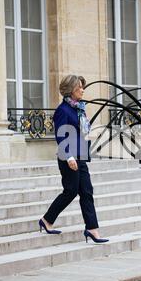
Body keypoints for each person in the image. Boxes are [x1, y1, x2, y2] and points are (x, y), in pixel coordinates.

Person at [39, 75, 109, 244]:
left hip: (81, 154)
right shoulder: (62, 110)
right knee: (70, 191)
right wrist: (69, 156)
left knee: (86, 191)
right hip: (68, 156)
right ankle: (47, 220)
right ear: (71, 90)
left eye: (82, 87)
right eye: (79, 88)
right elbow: (61, 135)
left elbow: (82, 132)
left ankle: (92, 229)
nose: (83, 90)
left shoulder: (79, 109)